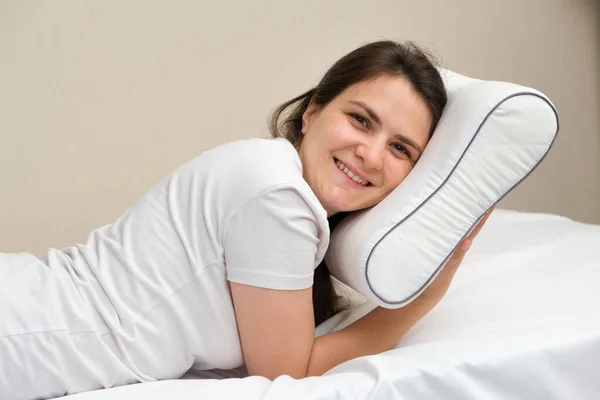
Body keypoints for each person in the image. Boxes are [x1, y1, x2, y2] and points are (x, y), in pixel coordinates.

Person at [0, 40, 493, 400]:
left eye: (401, 148)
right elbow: (289, 374)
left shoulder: (274, 177)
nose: (370, 153)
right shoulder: (279, 195)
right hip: (24, 331)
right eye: (361, 120)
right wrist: (423, 298)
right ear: (312, 112)